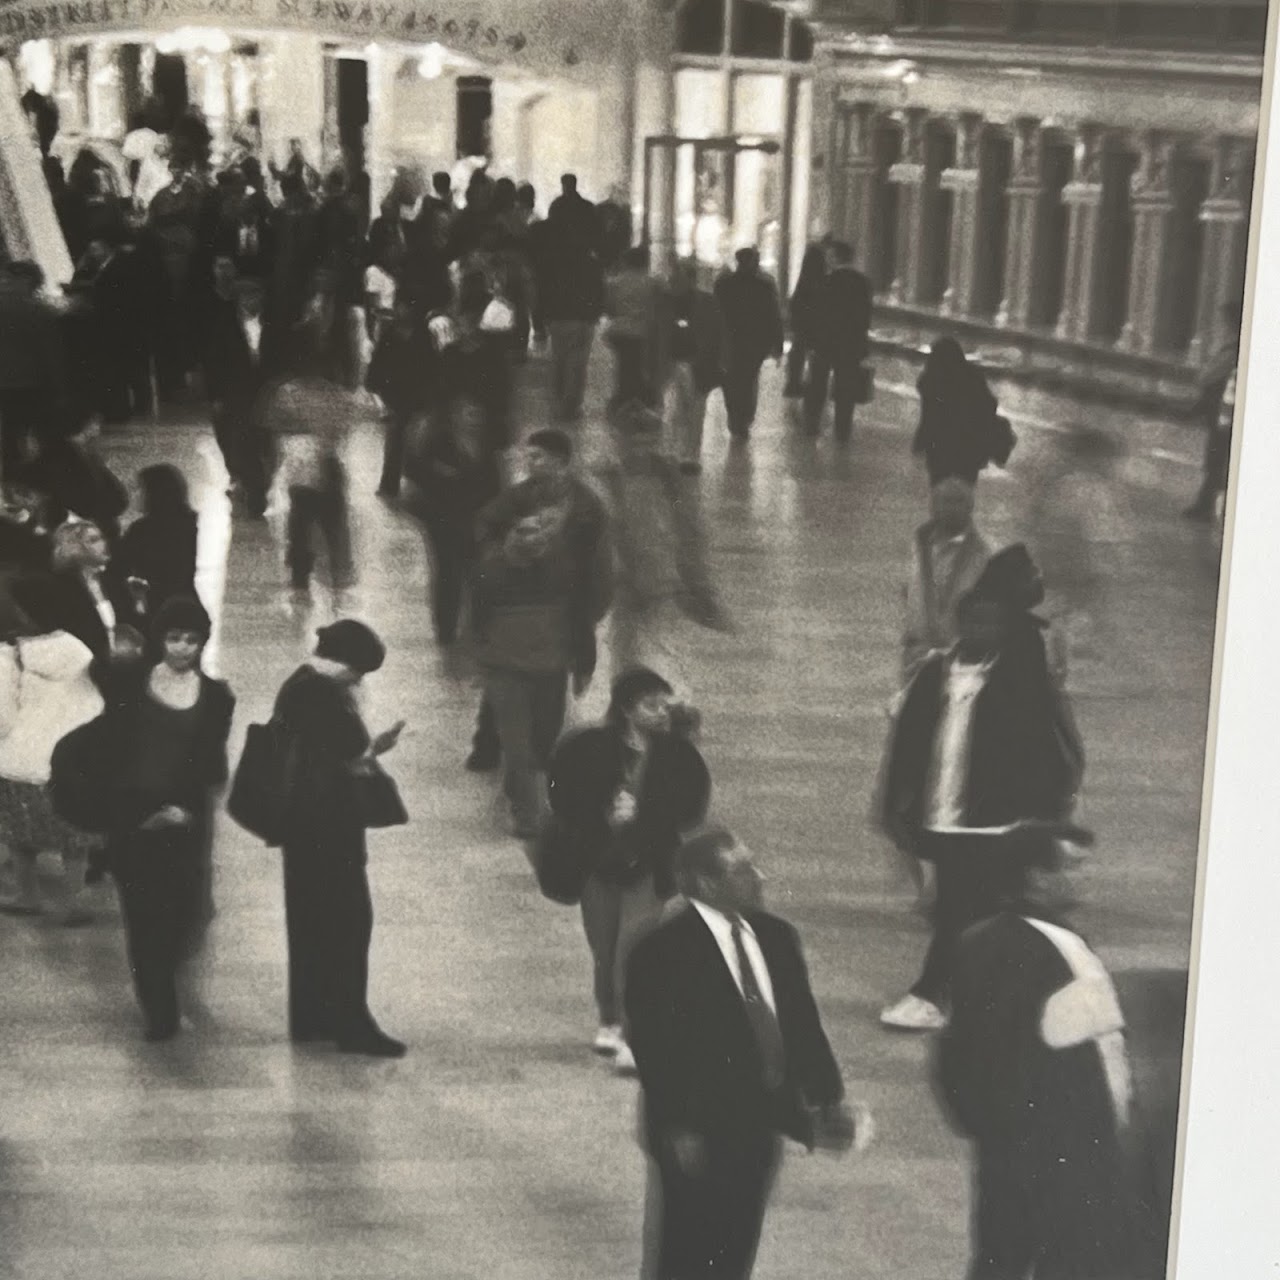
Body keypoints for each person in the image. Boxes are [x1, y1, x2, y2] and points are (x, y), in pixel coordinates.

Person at [625, 826, 863, 1280]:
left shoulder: (776, 936)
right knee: (684, 1249)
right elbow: (657, 1052)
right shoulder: (662, 953)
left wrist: (828, 1095)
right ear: (707, 884)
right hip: (697, 1126)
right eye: (743, 868)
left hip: (760, 1119)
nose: (760, 875)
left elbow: (800, 1022)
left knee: (739, 1239)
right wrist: (681, 1127)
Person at [879, 545, 1084, 1032]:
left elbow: (1044, 751)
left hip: (996, 825)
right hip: (944, 820)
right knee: (981, 911)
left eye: (991, 624)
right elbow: (906, 746)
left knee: (958, 911)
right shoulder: (934, 675)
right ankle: (1014, 997)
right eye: (972, 623)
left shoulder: (1017, 680)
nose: (979, 633)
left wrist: (1044, 816)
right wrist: (897, 806)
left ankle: (932, 994)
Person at [936, 835, 1145, 1279]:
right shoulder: (1028, 948)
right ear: (1035, 877)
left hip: (1023, 1147)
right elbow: (997, 1051)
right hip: (1054, 1151)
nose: (1076, 879)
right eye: (1067, 868)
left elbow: (959, 1054)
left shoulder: (1005, 939)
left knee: (1002, 1258)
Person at [546, 667, 710, 1073]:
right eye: (650, 705)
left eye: (663, 704)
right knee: (603, 949)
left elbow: (691, 809)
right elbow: (561, 796)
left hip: (649, 866)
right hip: (597, 864)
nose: (659, 712)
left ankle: (636, 1036)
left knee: (632, 951)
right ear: (626, 709)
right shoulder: (588, 747)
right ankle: (609, 1019)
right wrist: (604, 812)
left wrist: (645, 813)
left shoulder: (677, 753)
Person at [96, 596, 234, 1040]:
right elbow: (110, 752)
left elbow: (212, 764)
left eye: (190, 640)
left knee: (187, 910)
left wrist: (184, 808)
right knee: (142, 913)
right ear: (160, 640)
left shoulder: (216, 697)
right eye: (174, 638)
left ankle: (169, 978)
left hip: (186, 821)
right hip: (134, 819)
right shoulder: (129, 685)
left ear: (201, 644)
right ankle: (159, 1007)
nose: (181, 648)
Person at [272, 619, 406, 1056]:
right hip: (329, 826)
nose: (359, 679)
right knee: (349, 922)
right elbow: (343, 757)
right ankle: (351, 1023)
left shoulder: (299, 684)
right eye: (359, 671)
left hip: (301, 826)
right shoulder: (324, 696)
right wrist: (375, 750)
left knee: (310, 920)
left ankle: (312, 1018)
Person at [472, 430, 614, 839]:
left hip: (550, 648)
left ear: (561, 461)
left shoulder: (585, 509)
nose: (531, 464)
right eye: (528, 457)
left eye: (540, 457)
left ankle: (523, 787)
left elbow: (596, 573)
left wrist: (586, 638)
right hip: (514, 657)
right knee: (519, 739)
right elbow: (486, 527)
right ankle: (525, 804)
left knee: (539, 735)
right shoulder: (518, 507)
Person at [602, 404, 730, 684]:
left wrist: (699, 586)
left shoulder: (670, 478)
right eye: (633, 442)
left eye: (648, 442)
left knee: (660, 654)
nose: (641, 451)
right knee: (625, 654)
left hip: (661, 581)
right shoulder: (607, 477)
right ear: (618, 440)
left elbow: (690, 532)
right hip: (623, 581)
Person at [0, 615, 104, 924]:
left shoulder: (8, 657)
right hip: (74, 759)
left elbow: (2, 717)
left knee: (20, 834)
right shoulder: (76, 647)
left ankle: (27, 894)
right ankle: (75, 900)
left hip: (23, 760)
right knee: (73, 837)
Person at [402, 365, 501, 645]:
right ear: (454, 413)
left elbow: (494, 481)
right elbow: (414, 472)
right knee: (448, 572)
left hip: (476, 516)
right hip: (441, 518)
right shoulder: (434, 439)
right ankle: (445, 630)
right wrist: (442, 478)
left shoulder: (486, 440)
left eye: (478, 412)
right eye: (469, 412)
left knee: (475, 570)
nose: (475, 418)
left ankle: (476, 626)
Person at [900, 478, 991, 686]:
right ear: (933, 506)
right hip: (917, 656)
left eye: (958, 501)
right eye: (946, 501)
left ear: (970, 507)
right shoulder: (918, 546)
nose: (951, 508)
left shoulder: (984, 554)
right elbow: (906, 593)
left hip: (961, 660)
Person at [14, 520, 143, 662]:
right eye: (94, 540)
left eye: (102, 538)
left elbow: (131, 628)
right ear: (74, 547)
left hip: (122, 665)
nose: (104, 544)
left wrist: (139, 600)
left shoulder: (113, 583)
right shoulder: (58, 588)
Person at [913, 338, 1015, 486]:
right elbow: (990, 404)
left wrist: (919, 444)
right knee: (963, 489)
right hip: (969, 448)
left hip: (940, 449)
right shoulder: (973, 375)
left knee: (941, 489)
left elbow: (928, 419)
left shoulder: (931, 381)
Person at [656, 259, 724, 473]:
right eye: (672, 276)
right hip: (670, 361)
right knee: (671, 408)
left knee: (695, 408)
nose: (672, 280)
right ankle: (673, 450)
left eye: (678, 276)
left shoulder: (708, 301)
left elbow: (717, 333)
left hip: (698, 362)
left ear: (691, 279)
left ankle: (690, 454)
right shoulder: (663, 300)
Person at [803, 240, 871, 441]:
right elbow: (864, 316)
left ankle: (812, 424)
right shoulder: (862, 282)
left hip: (824, 343)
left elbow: (816, 314)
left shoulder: (825, 281)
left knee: (817, 384)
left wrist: (812, 341)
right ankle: (843, 429)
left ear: (835, 258)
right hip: (851, 343)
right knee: (846, 387)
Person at [714, 248, 783, 441]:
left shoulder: (723, 283)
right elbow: (773, 315)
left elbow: (716, 312)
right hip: (756, 341)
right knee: (749, 379)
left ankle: (735, 417)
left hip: (730, 339)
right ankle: (744, 417)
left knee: (731, 380)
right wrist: (777, 343)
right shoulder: (764, 285)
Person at [117, 465, 200, 627]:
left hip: (152, 606)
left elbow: (120, 566)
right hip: (189, 602)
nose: (133, 495)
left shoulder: (141, 530)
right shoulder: (194, 523)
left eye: (137, 489)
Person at [1184, 299, 1242, 522]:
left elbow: (1207, 376)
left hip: (1225, 416)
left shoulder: (1233, 348)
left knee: (1217, 460)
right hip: (1225, 415)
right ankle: (1208, 503)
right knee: (1220, 461)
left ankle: (1206, 505)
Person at [604, 246, 661, 411]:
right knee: (637, 364)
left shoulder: (614, 282)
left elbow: (609, 308)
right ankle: (636, 396)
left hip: (619, 330)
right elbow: (659, 306)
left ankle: (625, 395)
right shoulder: (653, 282)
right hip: (643, 330)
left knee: (624, 363)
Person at [784, 244, 827, 399]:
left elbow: (795, 304)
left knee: (798, 352)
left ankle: (793, 383)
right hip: (818, 325)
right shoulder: (823, 280)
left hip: (802, 325)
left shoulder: (804, 280)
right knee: (819, 356)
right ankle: (816, 384)